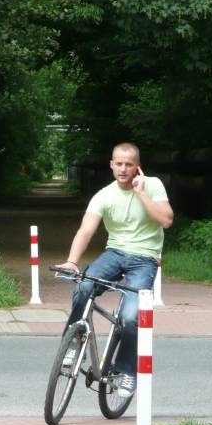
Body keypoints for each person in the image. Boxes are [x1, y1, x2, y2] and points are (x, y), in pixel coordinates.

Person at [57, 142, 173, 398]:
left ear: (137, 167)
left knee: (131, 317)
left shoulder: (152, 185)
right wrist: (72, 262)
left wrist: (141, 193)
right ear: (111, 164)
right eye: (118, 163)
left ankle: (125, 372)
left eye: (128, 164)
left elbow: (166, 220)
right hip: (115, 254)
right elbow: (86, 230)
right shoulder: (104, 195)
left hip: (144, 259)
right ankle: (74, 346)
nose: (123, 169)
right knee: (83, 285)